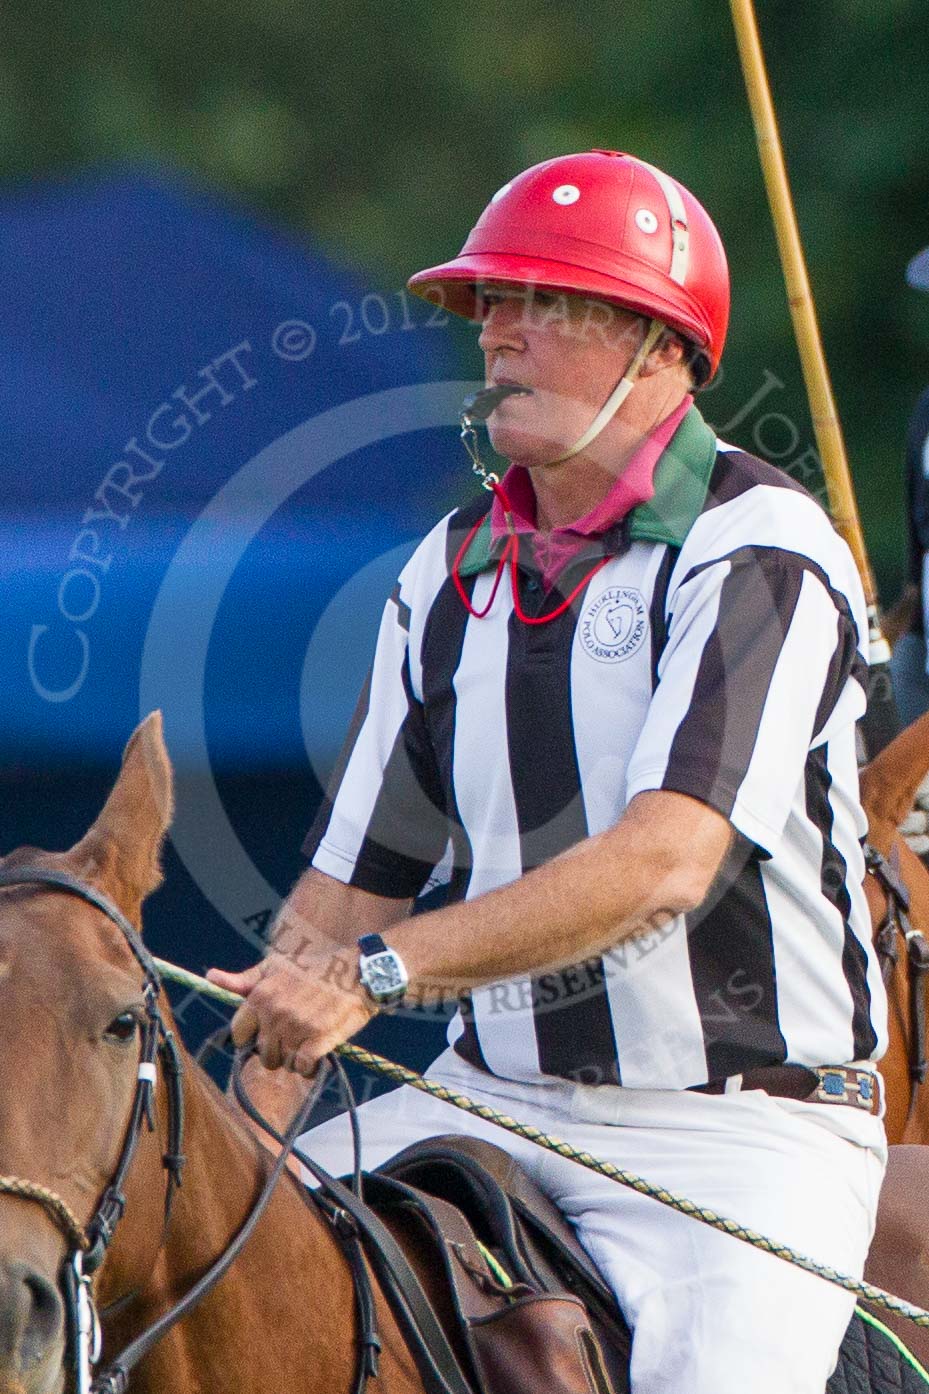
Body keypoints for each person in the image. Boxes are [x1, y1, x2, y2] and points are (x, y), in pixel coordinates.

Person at [208, 150, 888, 1394]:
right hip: (488, 1096)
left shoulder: (759, 548)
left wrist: (378, 974)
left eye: (542, 302)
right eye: (488, 304)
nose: (497, 333)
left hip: (732, 1129)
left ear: (657, 343)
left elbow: (664, 859)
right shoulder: (445, 569)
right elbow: (346, 891)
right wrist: (238, 1139)